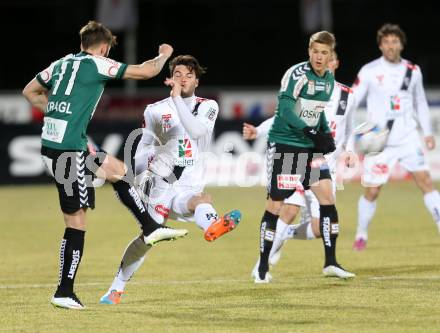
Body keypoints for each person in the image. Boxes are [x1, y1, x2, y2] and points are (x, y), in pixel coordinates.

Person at [22, 21, 189, 310]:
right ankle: (64, 290)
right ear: (104, 47)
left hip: (61, 145)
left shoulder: (61, 64)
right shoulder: (98, 63)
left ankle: (149, 227)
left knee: (118, 171)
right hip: (67, 152)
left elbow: (30, 91)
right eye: (108, 50)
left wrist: (57, 115)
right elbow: (148, 70)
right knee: (76, 221)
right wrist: (164, 54)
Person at [99, 55, 241, 305]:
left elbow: (196, 131)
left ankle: (212, 226)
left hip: (189, 185)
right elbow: (142, 147)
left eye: (188, 75)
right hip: (160, 185)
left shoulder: (208, 106)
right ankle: (115, 290)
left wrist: (177, 100)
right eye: (178, 75)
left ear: (197, 80)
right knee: (148, 238)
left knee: (199, 200)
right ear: (170, 79)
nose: (183, 79)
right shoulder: (155, 110)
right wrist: (142, 171)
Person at [251, 31, 355, 283]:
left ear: (331, 56)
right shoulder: (296, 74)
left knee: (328, 198)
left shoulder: (328, 79)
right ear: (309, 51)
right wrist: (310, 130)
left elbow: (316, 111)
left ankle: (331, 262)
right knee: (277, 206)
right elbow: (285, 110)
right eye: (315, 52)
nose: (319, 57)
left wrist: (323, 133)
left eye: (324, 53)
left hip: (310, 149)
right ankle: (262, 267)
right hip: (287, 145)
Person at [351, 23, 440, 251]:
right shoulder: (369, 71)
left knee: (426, 182)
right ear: (380, 45)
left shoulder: (413, 71)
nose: (391, 46)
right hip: (379, 141)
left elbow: (420, 102)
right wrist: (353, 134)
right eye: (387, 42)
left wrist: (427, 132)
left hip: (408, 138)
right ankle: (361, 233)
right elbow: (351, 101)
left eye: (395, 41)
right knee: (372, 191)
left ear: (401, 44)